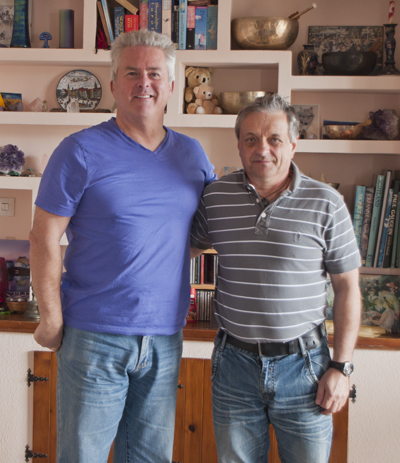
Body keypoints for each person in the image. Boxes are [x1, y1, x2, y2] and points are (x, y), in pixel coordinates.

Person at [29, 30, 216, 463]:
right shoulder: (79, 151)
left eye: (154, 73)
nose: (143, 83)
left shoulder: (192, 155)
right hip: (94, 336)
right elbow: (43, 237)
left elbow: (200, 233)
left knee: (150, 458)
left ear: (172, 85)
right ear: (113, 84)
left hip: (165, 336)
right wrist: (51, 318)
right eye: (131, 73)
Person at [190, 94, 361, 463]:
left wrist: (341, 366)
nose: (261, 149)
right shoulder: (215, 198)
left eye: (274, 139)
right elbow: (179, 251)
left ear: (293, 144)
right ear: (238, 144)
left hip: (305, 368)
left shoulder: (326, 202)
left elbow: (348, 287)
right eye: (250, 139)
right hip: (233, 366)